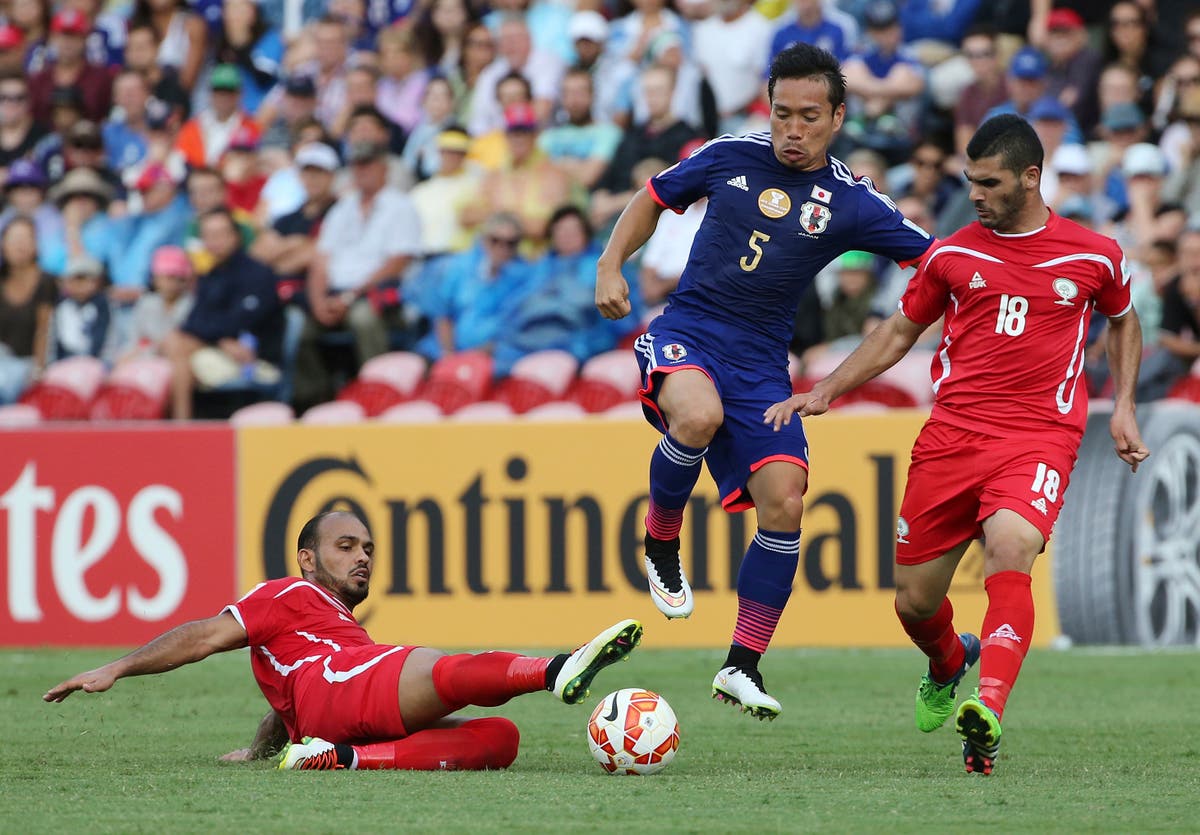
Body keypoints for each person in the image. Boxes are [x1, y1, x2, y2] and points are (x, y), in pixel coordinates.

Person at [764, 114, 1149, 774]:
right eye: (969, 181)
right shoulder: (950, 254)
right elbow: (895, 333)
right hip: (950, 438)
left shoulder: (1094, 253)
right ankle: (947, 659)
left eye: (988, 183)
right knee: (913, 601)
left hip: (1038, 438)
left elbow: (1123, 320)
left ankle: (989, 705)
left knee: (1011, 546)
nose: (973, 193)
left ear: (1031, 179)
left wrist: (1125, 405)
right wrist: (826, 387)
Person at [594, 43, 934, 719]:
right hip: (688, 330)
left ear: (837, 117)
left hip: (760, 367)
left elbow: (936, 263)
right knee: (696, 417)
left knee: (785, 500)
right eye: (782, 113)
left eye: (810, 116)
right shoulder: (731, 154)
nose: (793, 129)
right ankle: (661, 540)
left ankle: (740, 665)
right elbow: (652, 197)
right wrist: (610, 265)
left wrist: (860, 359)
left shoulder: (852, 201)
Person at [45, 510, 642, 771]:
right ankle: (553, 670)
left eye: (368, 550)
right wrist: (116, 668)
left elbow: (289, 696)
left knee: (500, 738)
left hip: (340, 699)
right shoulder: (285, 594)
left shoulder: (332, 629)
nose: (363, 558)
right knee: (426, 664)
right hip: (341, 683)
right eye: (346, 547)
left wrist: (259, 750)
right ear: (307, 559)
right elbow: (203, 636)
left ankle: (345, 760)